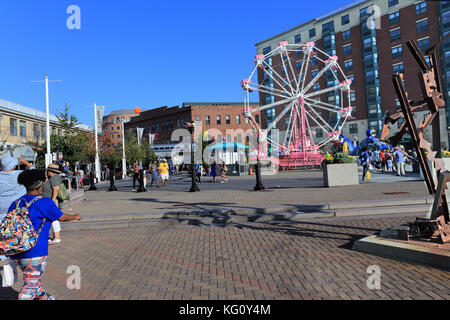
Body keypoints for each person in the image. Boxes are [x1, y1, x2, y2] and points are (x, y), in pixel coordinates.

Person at [9, 169, 81, 300]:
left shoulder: (16, 203)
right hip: (35, 252)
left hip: (17, 250)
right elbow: (61, 217)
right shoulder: (44, 202)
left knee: (34, 281)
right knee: (30, 287)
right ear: (40, 186)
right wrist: (75, 216)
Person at [41, 164, 65, 245]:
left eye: (47, 170)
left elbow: (56, 189)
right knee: (52, 218)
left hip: (51, 201)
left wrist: (53, 201)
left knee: (53, 218)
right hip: (48, 201)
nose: (46, 172)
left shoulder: (54, 177)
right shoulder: (52, 178)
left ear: (51, 171)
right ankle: (55, 237)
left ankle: (57, 237)